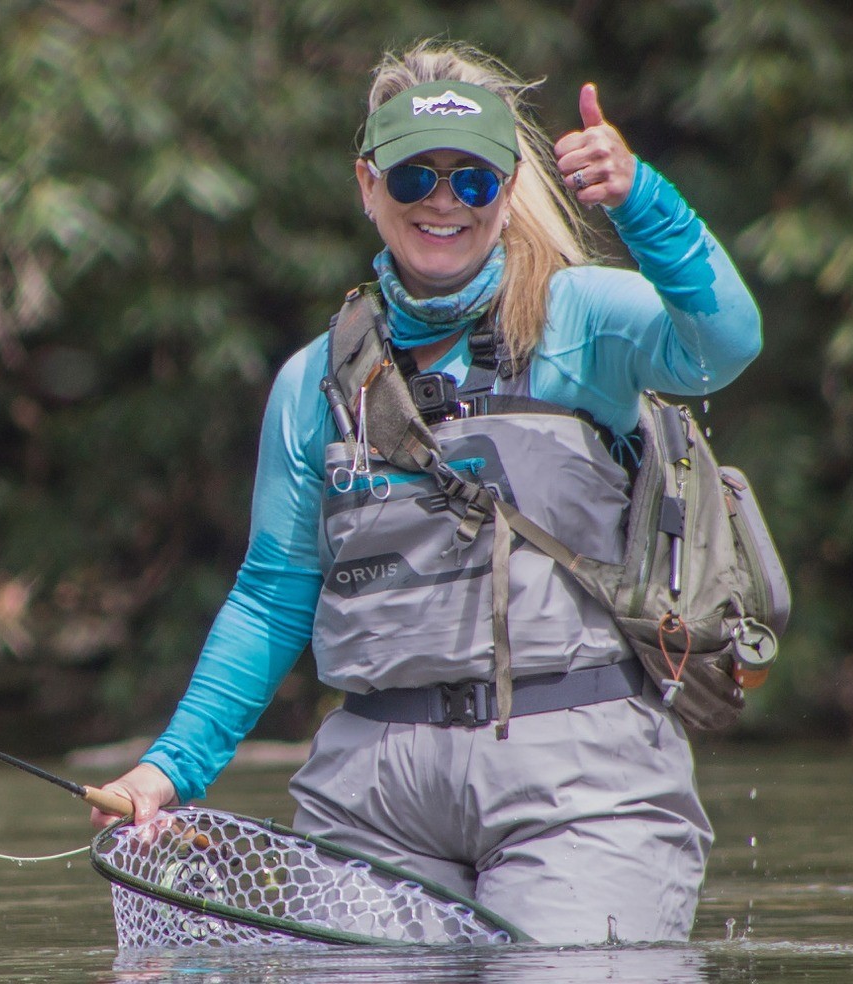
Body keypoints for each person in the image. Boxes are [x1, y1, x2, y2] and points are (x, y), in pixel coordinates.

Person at [92, 40, 761, 945]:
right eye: (414, 178)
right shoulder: (313, 383)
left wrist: (643, 201)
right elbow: (271, 596)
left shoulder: (583, 318)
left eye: (472, 181)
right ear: (368, 186)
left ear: (508, 185)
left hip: (583, 780)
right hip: (374, 795)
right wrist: (168, 771)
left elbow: (726, 341)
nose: (441, 202)